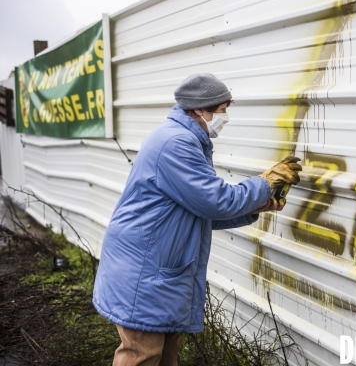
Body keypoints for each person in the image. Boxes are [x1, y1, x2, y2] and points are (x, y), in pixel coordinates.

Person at [92, 73, 302, 366]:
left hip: (157, 269)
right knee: (142, 355)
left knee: (166, 355)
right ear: (200, 109)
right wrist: (266, 182)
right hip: (144, 271)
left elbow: (198, 213)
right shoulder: (176, 143)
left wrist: (255, 208)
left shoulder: (186, 138)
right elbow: (215, 201)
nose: (225, 117)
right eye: (222, 109)